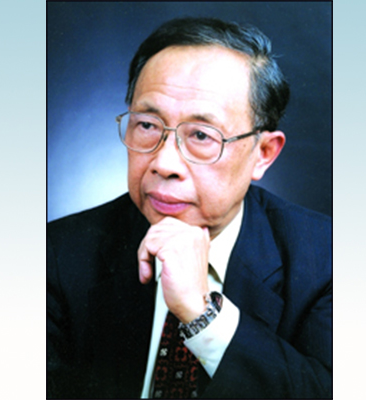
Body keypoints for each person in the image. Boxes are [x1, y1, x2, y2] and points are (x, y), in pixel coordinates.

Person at [47, 17, 332, 398]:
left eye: (200, 135)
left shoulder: (326, 259)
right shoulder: (58, 253)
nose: (164, 163)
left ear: (263, 153)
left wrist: (204, 316)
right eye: (147, 125)